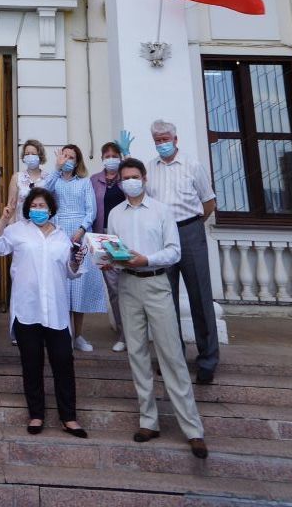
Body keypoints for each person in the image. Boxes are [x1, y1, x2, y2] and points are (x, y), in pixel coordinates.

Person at [104, 158, 208, 458]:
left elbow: (174, 252)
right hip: (128, 285)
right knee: (136, 353)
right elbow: (114, 248)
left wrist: (145, 260)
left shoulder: (162, 211)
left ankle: (192, 429)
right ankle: (148, 421)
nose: (130, 182)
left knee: (171, 354)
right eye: (125, 178)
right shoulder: (115, 213)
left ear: (144, 179)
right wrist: (110, 260)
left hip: (156, 283)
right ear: (120, 182)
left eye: (135, 176)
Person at [0, 188, 87, 436]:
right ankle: (36, 415)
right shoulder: (17, 231)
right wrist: (3, 217)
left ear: (51, 209)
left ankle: (69, 417)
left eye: (43, 206)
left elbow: (71, 272)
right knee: (31, 363)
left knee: (63, 362)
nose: (38, 210)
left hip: (56, 312)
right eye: (35, 206)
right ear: (28, 208)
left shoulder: (63, 237)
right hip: (27, 309)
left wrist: (77, 259)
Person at [146, 119, 219, 384]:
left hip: (189, 231)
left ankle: (208, 359)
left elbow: (208, 202)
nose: (162, 143)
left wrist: (193, 226)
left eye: (166, 139)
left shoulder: (192, 165)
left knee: (200, 295)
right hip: (162, 236)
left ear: (176, 140)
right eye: (158, 140)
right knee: (166, 301)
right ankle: (172, 358)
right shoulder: (149, 168)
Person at [46, 144, 106, 351]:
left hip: (79, 233)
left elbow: (91, 210)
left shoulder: (84, 183)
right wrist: (56, 168)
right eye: (65, 156)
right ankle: (63, 333)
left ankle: (78, 335)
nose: (68, 160)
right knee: (61, 286)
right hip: (58, 231)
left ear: (77, 161)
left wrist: (81, 230)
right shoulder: (54, 181)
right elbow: (42, 193)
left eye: (72, 157)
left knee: (78, 287)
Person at [90, 140, 127, 353]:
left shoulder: (127, 178)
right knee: (114, 288)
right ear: (102, 158)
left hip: (125, 236)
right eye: (107, 155)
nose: (111, 158)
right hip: (104, 238)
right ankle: (123, 333)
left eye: (115, 155)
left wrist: (128, 161)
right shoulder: (94, 181)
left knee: (129, 287)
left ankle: (137, 331)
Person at [7, 138, 54, 214]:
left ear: (40, 156)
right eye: (27, 154)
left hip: (43, 223)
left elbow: (52, 205)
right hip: (21, 224)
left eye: (33, 154)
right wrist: (12, 225)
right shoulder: (17, 177)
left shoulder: (48, 178)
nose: (30, 156)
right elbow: (11, 206)